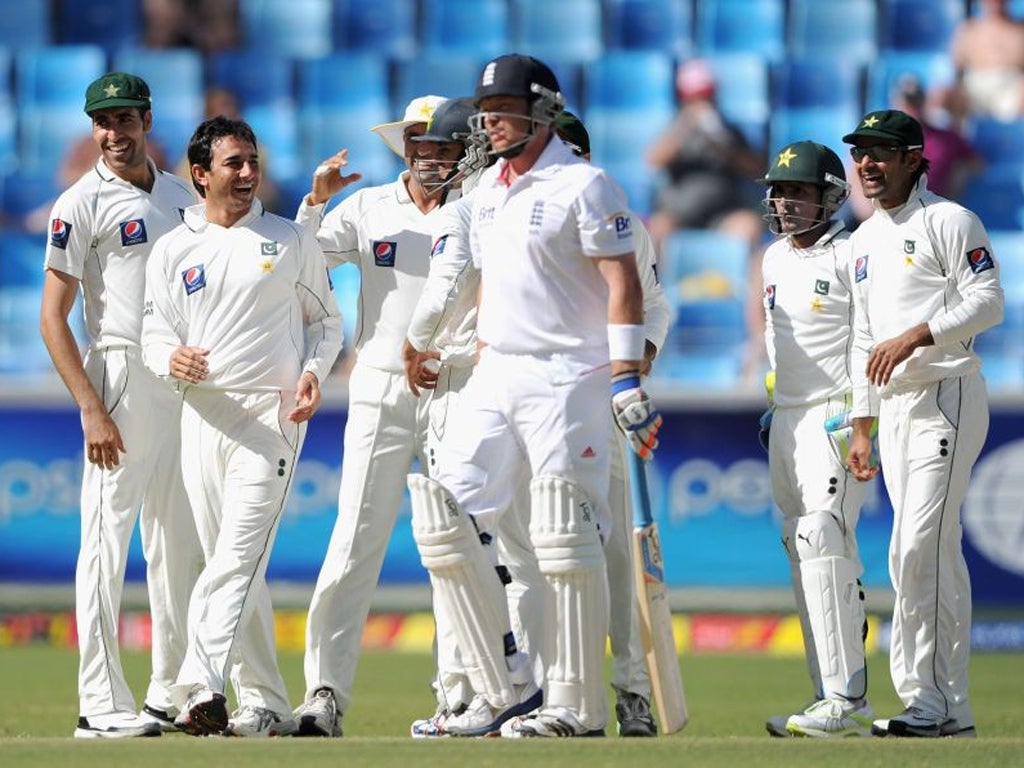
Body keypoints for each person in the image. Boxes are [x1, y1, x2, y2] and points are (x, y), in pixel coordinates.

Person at [406, 53, 661, 739]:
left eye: (503, 109)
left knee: (564, 532)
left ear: (542, 109)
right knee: (443, 517)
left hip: (568, 376)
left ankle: (575, 707)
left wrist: (626, 375)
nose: (488, 121)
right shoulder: (487, 187)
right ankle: (503, 686)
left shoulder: (586, 184)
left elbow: (622, 282)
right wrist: (485, 342)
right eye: (485, 110)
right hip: (498, 373)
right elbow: (493, 280)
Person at [141, 115, 342, 737]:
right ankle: (267, 702)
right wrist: (168, 359)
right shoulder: (175, 247)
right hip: (203, 415)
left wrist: (313, 370)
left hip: (271, 416)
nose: (249, 173)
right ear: (200, 175)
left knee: (234, 558)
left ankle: (201, 686)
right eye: (234, 163)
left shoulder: (288, 240)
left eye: (253, 161)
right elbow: (154, 330)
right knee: (236, 564)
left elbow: (327, 323)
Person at [291, 95, 467, 737]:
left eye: (442, 145)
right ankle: (323, 692)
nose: (430, 155)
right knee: (354, 542)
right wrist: (315, 202)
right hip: (380, 386)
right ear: (405, 150)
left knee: (455, 551)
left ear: (461, 149)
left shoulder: (480, 208)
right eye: (419, 144)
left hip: (456, 388)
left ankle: (458, 695)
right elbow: (297, 260)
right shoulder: (367, 208)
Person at [39, 72, 203, 738]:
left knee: (175, 544)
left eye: (125, 119)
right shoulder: (78, 203)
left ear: (147, 120)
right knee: (106, 543)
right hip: (120, 376)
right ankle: (99, 705)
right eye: (102, 122)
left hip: (183, 381)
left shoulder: (180, 196)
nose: (114, 133)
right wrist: (90, 407)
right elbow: (53, 318)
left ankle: (171, 690)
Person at [842, 109, 1003, 738]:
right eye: (860, 153)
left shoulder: (950, 220)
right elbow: (861, 340)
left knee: (921, 548)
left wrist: (918, 335)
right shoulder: (860, 241)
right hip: (896, 408)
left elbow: (987, 301)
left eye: (881, 152)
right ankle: (939, 705)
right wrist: (862, 425)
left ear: (915, 158)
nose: (867, 164)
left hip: (948, 392)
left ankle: (932, 702)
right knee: (911, 555)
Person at [757, 140, 874, 738]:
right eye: (779, 190)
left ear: (830, 196)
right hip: (787, 416)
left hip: (835, 412)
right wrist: (774, 404)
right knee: (800, 546)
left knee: (820, 534)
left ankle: (846, 700)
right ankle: (825, 694)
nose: (784, 201)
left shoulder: (852, 255)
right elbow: (779, 348)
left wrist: (862, 423)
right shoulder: (772, 259)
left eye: (798, 191)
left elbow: (867, 342)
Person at [645, 58, 764, 254]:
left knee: (748, 226)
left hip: (723, 213)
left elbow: (757, 169)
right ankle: (657, 284)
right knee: (658, 228)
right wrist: (685, 128)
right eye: (695, 97)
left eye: (707, 96)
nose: (703, 103)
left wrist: (725, 148)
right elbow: (653, 161)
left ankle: (741, 285)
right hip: (680, 213)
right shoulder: (674, 130)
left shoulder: (729, 131)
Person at [944, 0, 1024, 125]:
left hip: (1011, 89)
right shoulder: (968, 29)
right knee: (943, 97)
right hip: (974, 87)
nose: (994, 3)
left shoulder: (1020, 29)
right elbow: (956, 66)